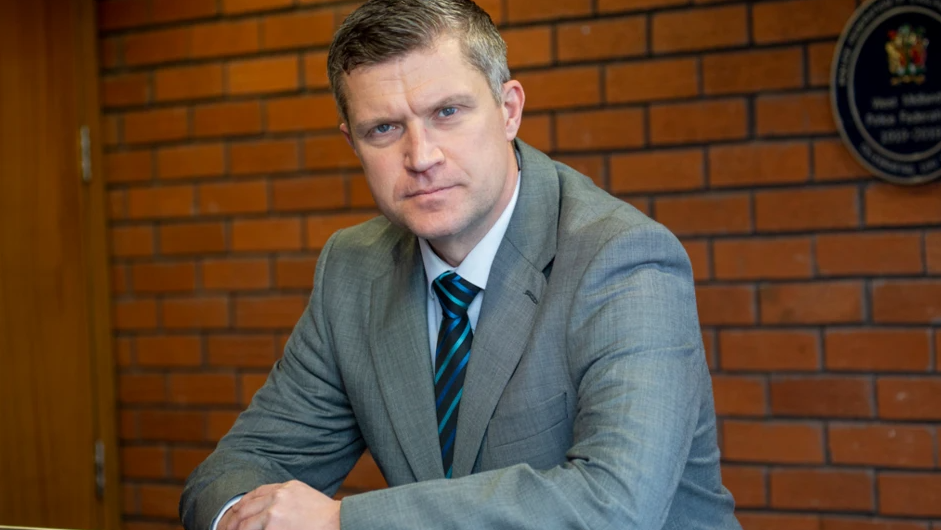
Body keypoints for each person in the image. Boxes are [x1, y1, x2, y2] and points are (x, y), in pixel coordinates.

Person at [180, 0, 742, 528]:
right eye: (385, 128)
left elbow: (616, 506)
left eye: (447, 112)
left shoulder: (621, 259)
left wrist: (341, 520)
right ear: (352, 143)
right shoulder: (352, 271)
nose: (421, 156)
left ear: (509, 110)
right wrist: (243, 515)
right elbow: (243, 465)